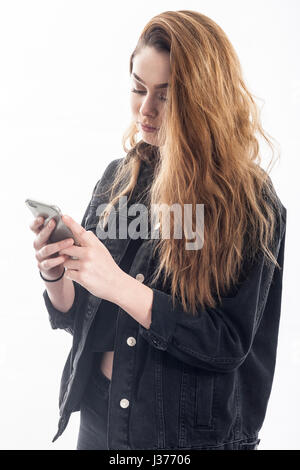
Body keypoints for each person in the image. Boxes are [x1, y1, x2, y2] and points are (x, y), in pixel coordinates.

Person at [29, 10, 287, 450]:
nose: (144, 109)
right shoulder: (118, 179)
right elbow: (82, 316)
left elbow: (228, 343)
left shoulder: (249, 202)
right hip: (99, 418)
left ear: (204, 99)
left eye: (165, 96)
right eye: (138, 88)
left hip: (183, 435)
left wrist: (119, 284)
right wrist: (57, 274)